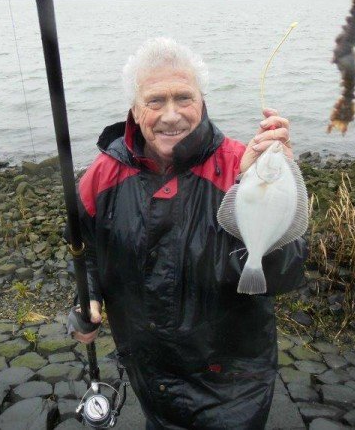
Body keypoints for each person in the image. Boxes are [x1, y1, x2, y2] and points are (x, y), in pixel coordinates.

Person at [67, 37, 308, 429]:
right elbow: (85, 250)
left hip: (232, 384)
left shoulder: (241, 165)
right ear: (134, 108)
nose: (171, 115)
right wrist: (87, 297)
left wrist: (283, 180)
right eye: (155, 101)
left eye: (184, 97)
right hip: (148, 372)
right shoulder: (102, 175)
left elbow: (287, 271)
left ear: (203, 100)